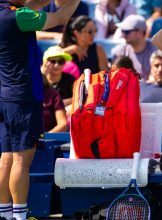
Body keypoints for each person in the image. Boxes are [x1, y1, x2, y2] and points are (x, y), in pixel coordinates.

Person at [0, 1, 81, 220]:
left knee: (6, 158)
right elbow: (60, 18)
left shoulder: (9, 13)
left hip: (6, 97)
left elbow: (31, 5)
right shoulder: (19, 16)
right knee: (20, 161)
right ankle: (19, 215)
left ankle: (5, 214)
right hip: (22, 97)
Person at [112, 15, 157, 80]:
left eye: (127, 32)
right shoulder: (118, 52)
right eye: (122, 31)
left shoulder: (155, 51)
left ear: (140, 33)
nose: (123, 35)